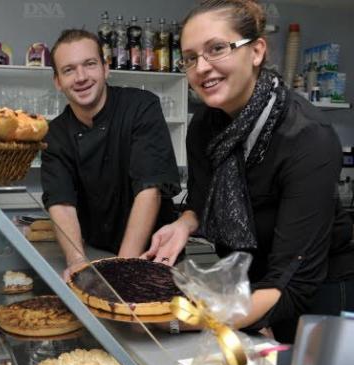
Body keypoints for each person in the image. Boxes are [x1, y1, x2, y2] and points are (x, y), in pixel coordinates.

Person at [142, 0, 354, 342]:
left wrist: (181, 319)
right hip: (250, 284)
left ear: (256, 51)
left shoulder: (307, 138)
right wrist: (183, 224)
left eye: (216, 49)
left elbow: (294, 284)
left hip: (320, 290)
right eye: (191, 57)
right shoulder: (204, 125)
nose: (202, 67)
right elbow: (200, 199)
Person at [41, 29, 181, 275]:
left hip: (156, 256)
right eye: (69, 70)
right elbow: (61, 203)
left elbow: (149, 190)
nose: (81, 77)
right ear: (57, 81)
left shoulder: (141, 107)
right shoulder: (55, 134)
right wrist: (76, 262)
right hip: (97, 254)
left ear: (106, 68)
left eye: (90, 64)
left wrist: (122, 269)